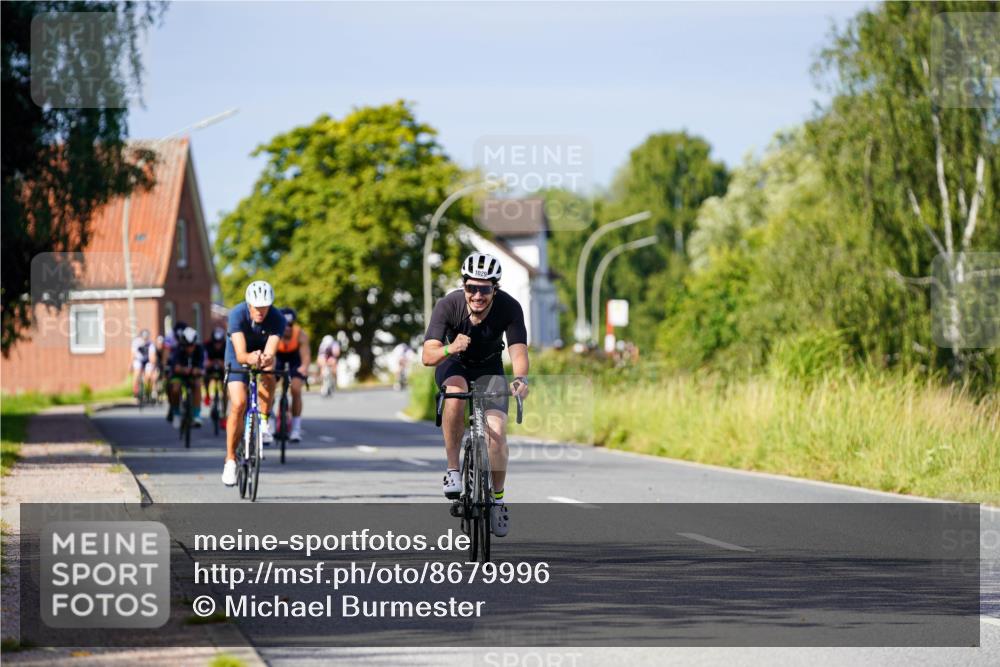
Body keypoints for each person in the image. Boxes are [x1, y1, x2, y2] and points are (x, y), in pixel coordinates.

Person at [421, 252, 529, 538]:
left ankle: (498, 501)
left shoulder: (509, 307)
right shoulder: (448, 305)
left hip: (489, 369)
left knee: (497, 431)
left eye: (485, 289)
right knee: (455, 392)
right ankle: (453, 470)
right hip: (454, 365)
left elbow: (518, 351)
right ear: (464, 286)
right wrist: (450, 348)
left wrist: (520, 379)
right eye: (471, 288)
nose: (477, 295)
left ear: (495, 289)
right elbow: (428, 356)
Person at [221, 280, 286, 486]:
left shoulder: (277, 318)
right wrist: (251, 358)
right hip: (238, 354)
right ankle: (230, 460)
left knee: (269, 373)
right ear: (249, 304)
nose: (260, 311)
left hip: (261, 351)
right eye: (256, 307)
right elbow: (241, 354)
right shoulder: (237, 314)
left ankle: (264, 421)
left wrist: (265, 358)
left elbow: (271, 351)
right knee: (239, 403)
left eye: (264, 307)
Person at [274, 307, 310, 442]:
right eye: (284, 325)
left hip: (295, 361)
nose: (287, 328)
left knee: (295, 389)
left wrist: (304, 367)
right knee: (268, 384)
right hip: (278, 359)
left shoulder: (301, 334)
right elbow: (270, 355)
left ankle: (296, 428)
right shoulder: (274, 333)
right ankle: (269, 424)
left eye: (290, 325)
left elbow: (305, 356)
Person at [167, 326, 205, 427]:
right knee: (175, 389)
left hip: (193, 375)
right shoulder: (177, 349)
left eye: (191, 345)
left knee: (197, 385)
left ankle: (196, 415)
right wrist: (183, 369)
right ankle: (176, 413)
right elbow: (176, 367)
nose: (189, 348)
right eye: (187, 345)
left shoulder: (199, 349)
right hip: (179, 375)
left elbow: (202, 367)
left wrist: (198, 370)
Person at [130, 329, 155, 399]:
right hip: (138, 360)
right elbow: (133, 354)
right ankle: (135, 391)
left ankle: (149, 391)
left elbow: (152, 356)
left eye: (146, 338)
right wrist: (131, 364)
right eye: (143, 337)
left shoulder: (150, 344)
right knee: (136, 373)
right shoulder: (136, 342)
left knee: (148, 376)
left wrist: (152, 366)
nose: (145, 339)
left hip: (147, 360)